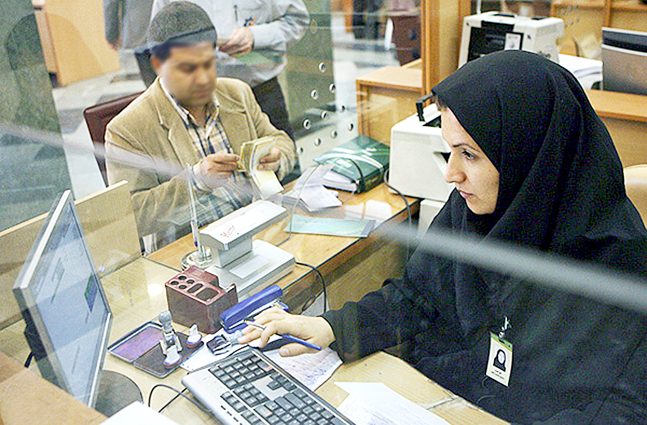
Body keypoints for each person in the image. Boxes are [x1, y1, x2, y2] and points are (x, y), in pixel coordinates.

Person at [239, 50, 647, 423]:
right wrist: (335, 327)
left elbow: (624, 410)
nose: (451, 173)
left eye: (469, 154)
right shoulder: (471, 210)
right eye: (450, 150)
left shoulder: (618, 260)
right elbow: (417, 297)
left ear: (528, 157)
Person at [105, 2, 297, 244]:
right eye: (188, 69)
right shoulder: (127, 129)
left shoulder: (237, 93)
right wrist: (195, 182)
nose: (203, 79)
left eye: (209, 64)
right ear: (157, 65)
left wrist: (277, 157)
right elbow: (131, 217)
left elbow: (283, 142)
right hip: (193, 251)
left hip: (256, 229)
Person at [150, 0, 309, 140]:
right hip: (195, 101)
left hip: (260, 93)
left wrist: (256, 36)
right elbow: (158, 40)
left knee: (281, 163)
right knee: (210, 170)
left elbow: (297, 20)